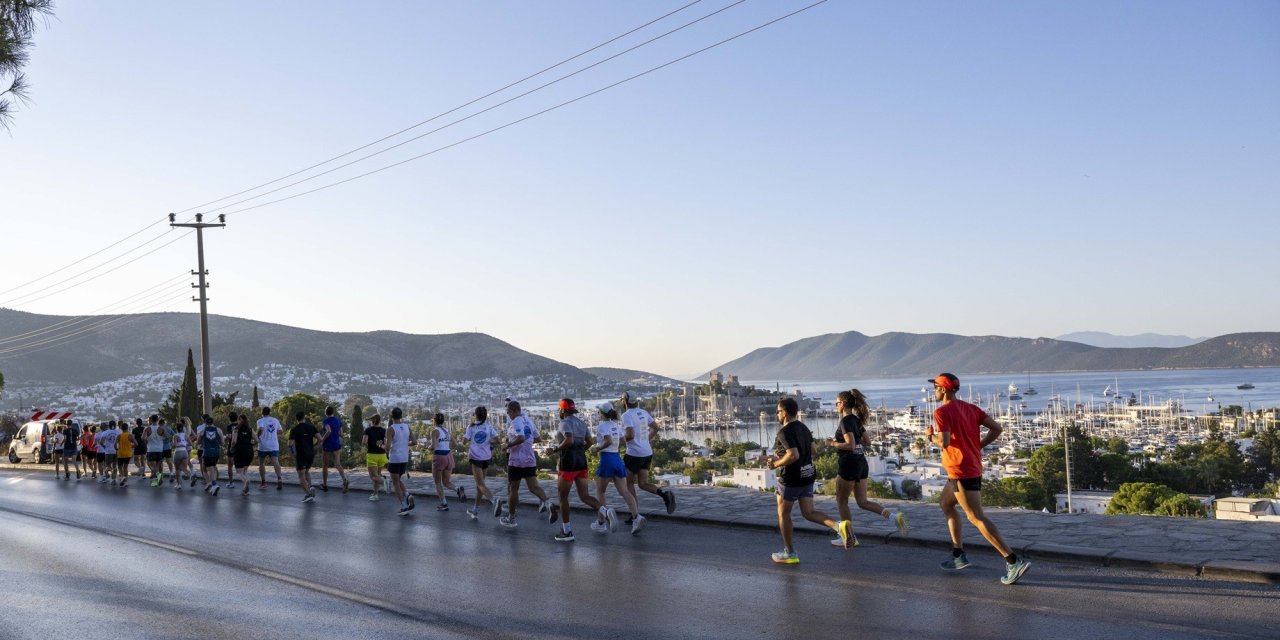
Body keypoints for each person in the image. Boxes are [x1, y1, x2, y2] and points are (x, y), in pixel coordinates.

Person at [927, 373, 1031, 585]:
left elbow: (944, 443)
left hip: (961, 470)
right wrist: (978, 446)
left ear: (944, 389)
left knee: (975, 517)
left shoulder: (941, 412)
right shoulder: (971, 409)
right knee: (946, 504)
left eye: (935, 387)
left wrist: (930, 436)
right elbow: (997, 428)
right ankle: (958, 555)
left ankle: (1013, 560)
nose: (933, 390)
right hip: (965, 467)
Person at [765, 397, 850, 564]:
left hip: (791, 478)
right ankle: (839, 526)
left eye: (778, 411)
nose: (776, 414)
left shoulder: (784, 431)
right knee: (809, 512)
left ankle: (790, 553)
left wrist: (775, 464)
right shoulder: (803, 427)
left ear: (785, 413)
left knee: (784, 514)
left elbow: (793, 455)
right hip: (808, 474)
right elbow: (813, 450)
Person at [829, 389, 908, 548]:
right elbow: (867, 442)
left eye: (837, 403)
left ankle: (850, 537)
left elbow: (850, 445)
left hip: (848, 463)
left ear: (843, 404)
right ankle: (893, 517)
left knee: (841, 501)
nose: (835, 405)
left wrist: (833, 443)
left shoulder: (845, 422)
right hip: (861, 463)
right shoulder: (856, 420)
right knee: (862, 501)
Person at [551, 398, 605, 542]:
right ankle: (605, 511)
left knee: (562, 498)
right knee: (585, 496)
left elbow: (568, 440)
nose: (558, 411)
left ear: (563, 410)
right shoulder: (581, 423)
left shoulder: (564, 423)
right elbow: (590, 442)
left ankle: (567, 531)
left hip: (568, 463)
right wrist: (581, 451)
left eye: (559, 409)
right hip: (581, 462)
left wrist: (555, 449)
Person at [498, 399, 552, 528]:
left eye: (508, 411)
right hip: (529, 459)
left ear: (514, 411)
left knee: (513, 489)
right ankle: (548, 503)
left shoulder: (516, 421)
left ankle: (511, 518)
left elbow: (521, 438)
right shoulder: (529, 421)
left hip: (516, 460)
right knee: (533, 487)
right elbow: (538, 438)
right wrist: (526, 444)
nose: (508, 414)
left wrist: (508, 445)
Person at [620, 391, 676, 517]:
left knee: (627, 483)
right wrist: (646, 440)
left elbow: (630, 435)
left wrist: (617, 443)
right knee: (642, 484)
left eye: (622, 399)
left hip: (634, 454)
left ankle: (634, 515)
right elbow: (655, 428)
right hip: (647, 452)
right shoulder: (643, 412)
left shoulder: (626, 415)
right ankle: (664, 494)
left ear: (625, 401)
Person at [592, 402, 642, 534]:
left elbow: (607, 441)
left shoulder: (602, 426)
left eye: (599, 412)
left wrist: (597, 448)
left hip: (607, 459)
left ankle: (601, 522)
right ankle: (637, 517)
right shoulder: (616, 425)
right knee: (625, 491)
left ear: (602, 413)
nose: (598, 414)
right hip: (617, 459)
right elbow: (622, 441)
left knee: (600, 491)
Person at [461, 406, 498, 519]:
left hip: (476, 458)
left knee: (480, 484)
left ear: (475, 415)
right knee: (480, 486)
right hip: (486, 458)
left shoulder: (471, 427)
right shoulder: (488, 426)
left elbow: (464, 442)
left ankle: (495, 501)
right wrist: (488, 441)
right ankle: (475, 509)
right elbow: (498, 440)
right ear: (485, 416)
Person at [386, 407, 416, 516]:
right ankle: (408, 495)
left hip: (394, 458)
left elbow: (388, 447)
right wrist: (404, 445)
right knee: (398, 479)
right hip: (404, 458)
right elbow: (414, 441)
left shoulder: (391, 429)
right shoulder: (407, 426)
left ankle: (404, 506)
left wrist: (381, 445)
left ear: (391, 416)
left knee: (395, 482)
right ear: (401, 415)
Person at [429, 412, 461, 511]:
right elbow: (455, 444)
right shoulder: (446, 430)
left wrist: (428, 447)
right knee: (446, 482)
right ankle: (458, 489)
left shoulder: (434, 431)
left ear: (434, 420)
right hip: (449, 456)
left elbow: (433, 446)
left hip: (439, 456)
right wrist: (446, 445)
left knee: (437, 482)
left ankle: (444, 503)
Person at [289, 411, 320, 503]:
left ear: (296, 419)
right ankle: (310, 487)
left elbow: (290, 444)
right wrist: (314, 445)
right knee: (306, 471)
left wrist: (292, 451)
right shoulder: (311, 427)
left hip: (301, 454)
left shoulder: (294, 430)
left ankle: (308, 494)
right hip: (310, 453)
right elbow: (320, 438)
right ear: (304, 418)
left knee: (301, 476)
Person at [319, 406, 350, 494]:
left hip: (328, 444)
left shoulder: (325, 421)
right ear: (333, 412)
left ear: (326, 413)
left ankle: (325, 485)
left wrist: (322, 439)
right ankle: (344, 480)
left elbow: (328, 431)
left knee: (325, 465)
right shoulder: (338, 420)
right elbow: (341, 433)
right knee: (337, 464)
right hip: (336, 444)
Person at [256, 406, 284, 491]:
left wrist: (257, 436)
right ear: (269, 412)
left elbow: (260, 428)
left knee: (261, 463)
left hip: (263, 445)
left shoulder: (260, 421)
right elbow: (281, 431)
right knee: (275, 461)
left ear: (262, 413)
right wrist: (273, 432)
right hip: (274, 444)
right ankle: (279, 478)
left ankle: (263, 482)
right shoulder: (275, 420)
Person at [196, 415, 224, 496]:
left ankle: (214, 484)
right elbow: (222, 442)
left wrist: (205, 441)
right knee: (213, 467)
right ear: (213, 422)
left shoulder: (203, 431)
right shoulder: (218, 430)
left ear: (205, 423)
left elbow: (198, 442)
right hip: (216, 451)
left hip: (207, 451)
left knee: (209, 469)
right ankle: (212, 484)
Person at [362, 414, 388, 502]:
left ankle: (384, 482)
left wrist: (367, 444)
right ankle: (375, 494)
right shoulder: (384, 430)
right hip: (382, 455)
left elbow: (364, 442)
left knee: (373, 476)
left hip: (372, 455)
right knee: (377, 475)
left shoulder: (368, 430)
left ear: (372, 421)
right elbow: (385, 445)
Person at [230, 414, 256, 497]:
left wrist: (231, 447)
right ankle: (245, 491)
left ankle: (246, 481)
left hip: (239, 451)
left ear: (238, 420)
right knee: (244, 472)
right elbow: (257, 440)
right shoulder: (250, 430)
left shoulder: (236, 429)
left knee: (238, 473)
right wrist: (251, 443)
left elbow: (234, 441)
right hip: (249, 452)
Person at [144, 416, 167, 486]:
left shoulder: (147, 429)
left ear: (151, 420)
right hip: (159, 449)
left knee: (152, 466)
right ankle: (157, 480)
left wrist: (147, 440)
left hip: (151, 449)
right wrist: (161, 439)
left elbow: (143, 437)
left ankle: (158, 475)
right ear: (157, 420)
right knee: (157, 466)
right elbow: (167, 436)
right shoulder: (161, 429)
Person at [172, 417, 194, 490]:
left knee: (177, 469)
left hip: (178, 452)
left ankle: (178, 484)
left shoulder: (175, 436)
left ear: (177, 429)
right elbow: (190, 444)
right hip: (184, 451)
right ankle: (191, 476)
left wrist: (176, 444)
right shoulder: (185, 435)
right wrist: (184, 444)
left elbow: (174, 445)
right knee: (184, 469)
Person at [115, 418, 134, 487]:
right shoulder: (130, 435)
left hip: (121, 453)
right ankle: (125, 481)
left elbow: (115, 445)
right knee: (125, 467)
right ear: (127, 428)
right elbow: (136, 444)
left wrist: (117, 449)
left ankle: (122, 477)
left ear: (121, 428)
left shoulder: (119, 436)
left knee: (120, 467)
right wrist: (131, 446)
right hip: (128, 453)